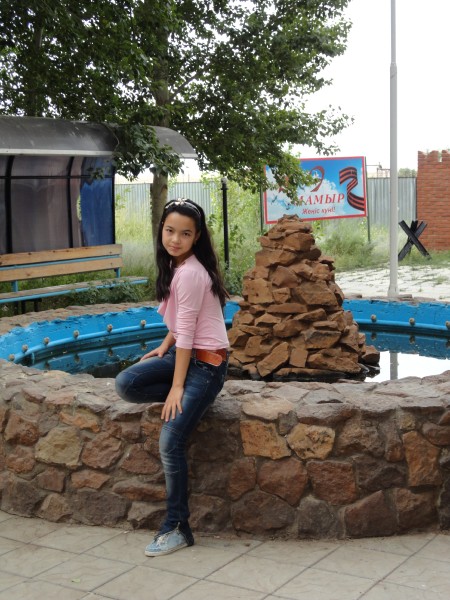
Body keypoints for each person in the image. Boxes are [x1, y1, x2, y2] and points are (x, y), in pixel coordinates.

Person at [115, 198, 229, 557]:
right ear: (161, 230)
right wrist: (163, 347)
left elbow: (190, 333)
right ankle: (188, 397)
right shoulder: (177, 265)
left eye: (185, 234)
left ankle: (178, 527)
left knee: (170, 441)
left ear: (197, 237)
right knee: (127, 383)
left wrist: (178, 387)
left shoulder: (191, 273)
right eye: (169, 231)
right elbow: (182, 322)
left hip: (206, 367)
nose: (175, 239)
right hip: (187, 357)